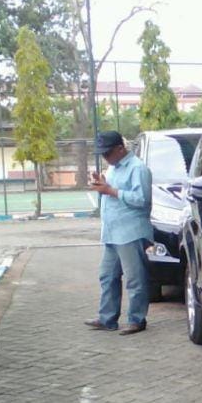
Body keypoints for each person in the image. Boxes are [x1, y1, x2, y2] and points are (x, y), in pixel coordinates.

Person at [85, 130, 153, 335]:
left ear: (120, 148)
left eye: (108, 153)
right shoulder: (113, 168)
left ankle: (137, 319)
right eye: (102, 154)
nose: (105, 157)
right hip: (113, 232)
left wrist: (110, 190)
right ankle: (107, 318)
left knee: (135, 278)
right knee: (107, 276)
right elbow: (110, 190)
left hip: (130, 232)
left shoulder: (138, 168)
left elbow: (143, 200)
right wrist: (102, 184)